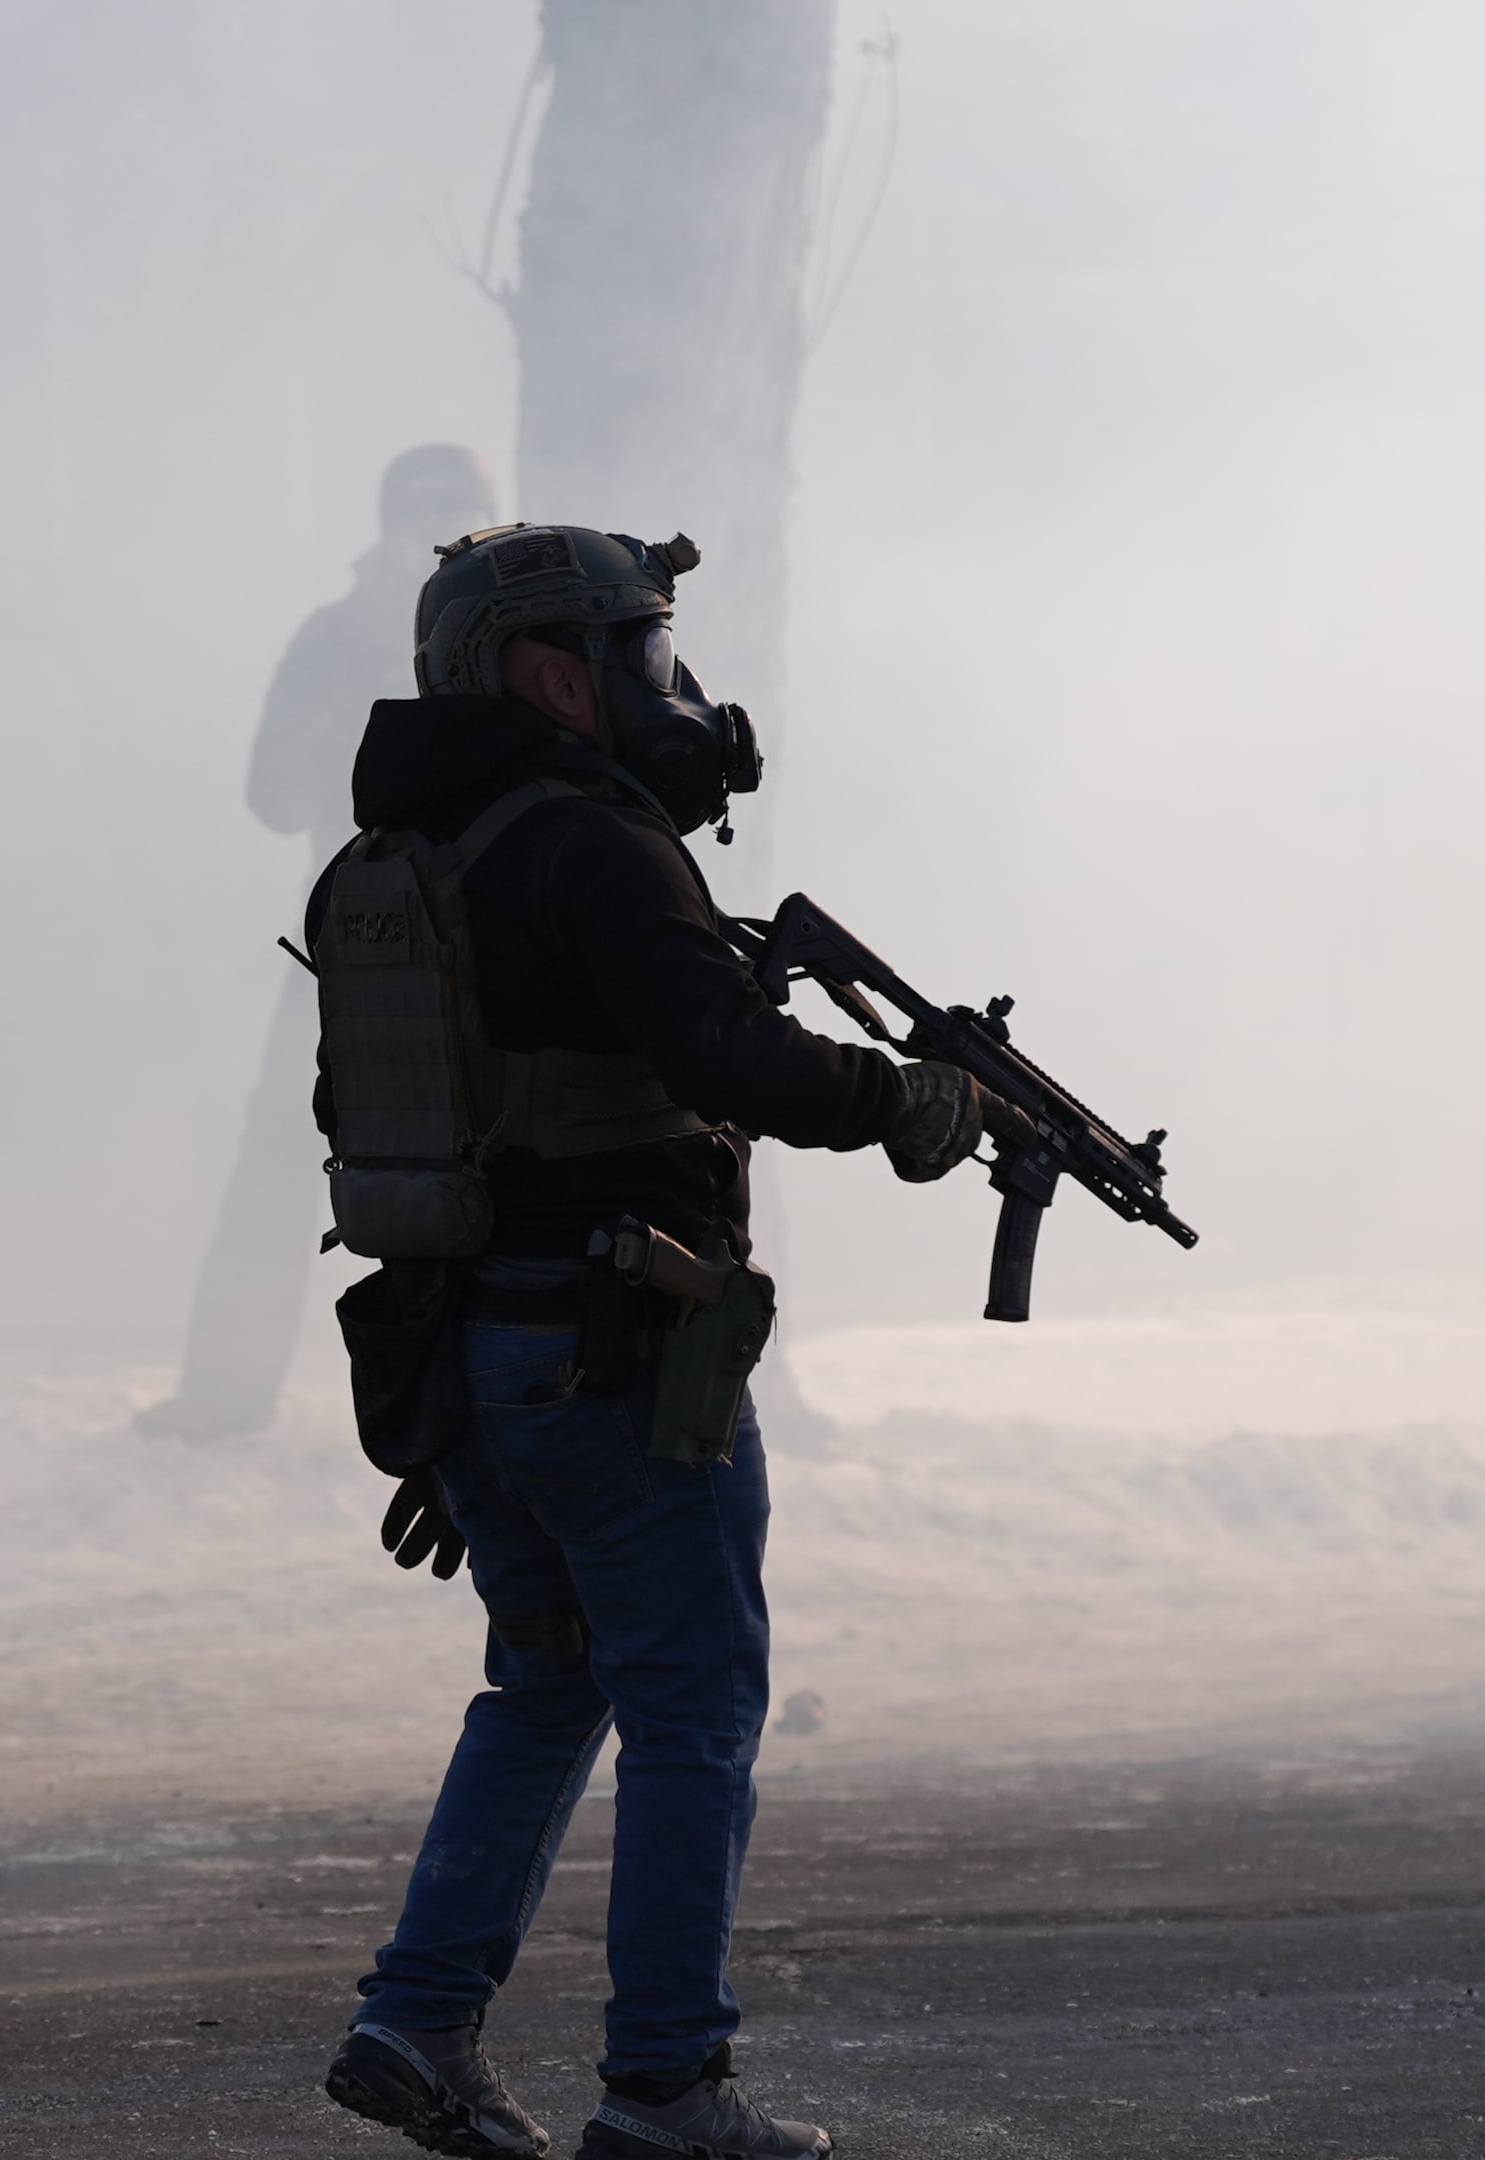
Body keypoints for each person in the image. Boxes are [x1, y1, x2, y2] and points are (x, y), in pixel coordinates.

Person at [315, 523, 1000, 2160]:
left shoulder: (424, 851)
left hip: (466, 1355)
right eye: (637, 657)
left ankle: (416, 2026)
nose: (665, 691)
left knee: (547, 1682)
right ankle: (669, 2093)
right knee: (695, 1703)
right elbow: (728, 1054)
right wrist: (906, 1101)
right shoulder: (587, 844)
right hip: (609, 1354)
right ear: (553, 675)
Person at [136, 445, 499, 1440]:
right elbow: (270, 794)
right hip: (358, 943)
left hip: (494, 944)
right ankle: (223, 1395)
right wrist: (357, 708)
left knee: (507, 1158)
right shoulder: (335, 639)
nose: (435, 537)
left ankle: (498, 1394)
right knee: (282, 1160)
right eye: (420, 516)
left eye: (459, 515)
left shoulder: (512, 641)